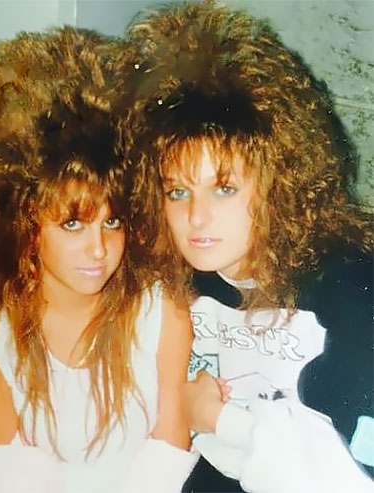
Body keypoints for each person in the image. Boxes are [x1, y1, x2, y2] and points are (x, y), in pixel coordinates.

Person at [121, 1, 374, 491]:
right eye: (178, 191)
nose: (196, 217)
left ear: (279, 181)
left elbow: (349, 475)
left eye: (224, 188)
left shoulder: (352, 289)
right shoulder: (168, 278)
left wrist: (222, 422)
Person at [0, 27, 205, 493]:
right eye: (73, 224)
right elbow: (7, 478)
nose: (99, 248)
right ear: (27, 224)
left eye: (112, 223)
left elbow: (169, 447)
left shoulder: (160, 310)